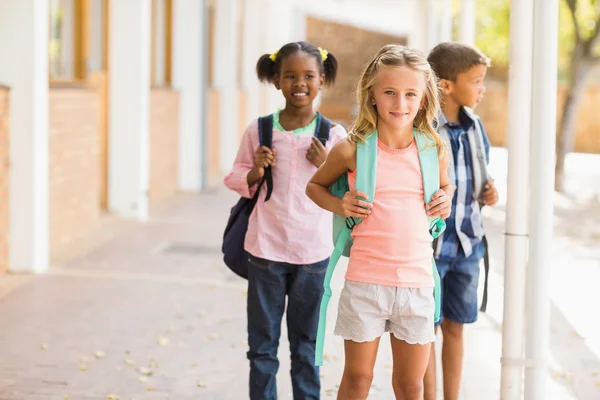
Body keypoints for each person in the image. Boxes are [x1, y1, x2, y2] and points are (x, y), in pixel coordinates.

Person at [306, 44, 453, 400]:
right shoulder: (353, 149)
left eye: (409, 94)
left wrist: (446, 198)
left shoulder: (434, 149)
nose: (399, 103)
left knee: (409, 385)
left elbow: (445, 186)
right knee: (357, 378)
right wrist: (341, 204)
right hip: (365, 283)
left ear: (423, 98)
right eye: (389, 92)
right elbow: (315, 187)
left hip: (417, 285)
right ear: (372, 94)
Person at [224, 41, 346, 400]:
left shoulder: (334, 135)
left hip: (313, 255)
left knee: (306, 349)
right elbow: (234, 176)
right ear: (276, 80)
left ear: (322, 80)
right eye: (290, 75)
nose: (299, 83)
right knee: (262, 349)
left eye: (308, 75)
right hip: (266, 251)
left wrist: (326, 163)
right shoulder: (260, 130)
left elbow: (346, 192)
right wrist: (254, 171)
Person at [423, 42, 499, 400]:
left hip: (469, 245)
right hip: (431, 249)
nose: (482, 89)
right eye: (476, 81)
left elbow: (480, 176)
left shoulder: (475, 127)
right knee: (427, 330)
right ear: (446, 85)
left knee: (457, 327)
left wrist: (490, 193)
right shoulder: (423, 130)